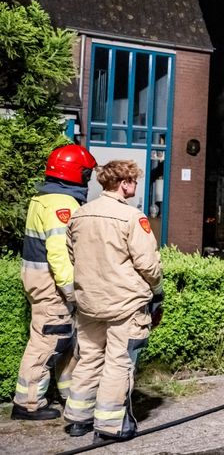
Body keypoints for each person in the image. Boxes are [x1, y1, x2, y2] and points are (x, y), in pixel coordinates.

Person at [62, 160, 162, 441]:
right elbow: (148, 265)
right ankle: (109, 425)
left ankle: (78, 419)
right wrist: (157, 290)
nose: (135, 185)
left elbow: (73, 256)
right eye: (133, 181)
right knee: (118, 362)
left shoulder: (80, 215)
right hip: (124, 304)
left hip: (89, 303)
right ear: (124, 184)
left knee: (89, 358)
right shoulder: (131, 217)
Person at [12, 145, 96, 421]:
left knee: (66, 341)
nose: (88, 179)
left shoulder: (43, 199)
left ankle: (70, 395)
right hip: (53, 285)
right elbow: (60, 254)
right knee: (49, 341)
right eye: (87, 174)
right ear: (78, 174)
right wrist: (73, 292)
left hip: (39, 280)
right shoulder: (63, 204)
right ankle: (28, 403)